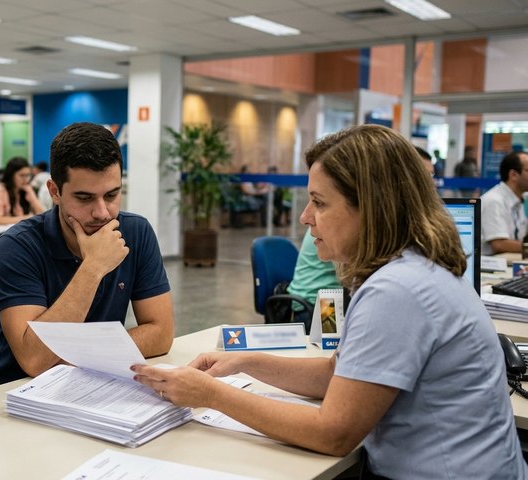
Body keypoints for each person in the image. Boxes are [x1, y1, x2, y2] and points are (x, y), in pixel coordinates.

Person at [132, 124, 526, 478]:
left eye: (319, 203)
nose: (305, 217)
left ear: (371, 209)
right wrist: (245, 362)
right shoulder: (411, 267)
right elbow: (338, 374)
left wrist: (211, 394)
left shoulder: (397, 290)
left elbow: (333, 433)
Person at [0, 122, 174, 386]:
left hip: (93, 383)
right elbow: (35, 360)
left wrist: (78, 355)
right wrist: (93, 268)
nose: (102, 213)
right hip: (16, 389)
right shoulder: (17, 245)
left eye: (112, 195)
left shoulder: (136, 232)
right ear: (54, 191)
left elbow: (161, 334)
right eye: (84, 198)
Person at [481, 150, 528, 255]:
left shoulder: (519, 199)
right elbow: (499, 244)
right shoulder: (494, 200)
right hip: (490, 263)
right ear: (513, 175)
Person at [0, 157, 45, 225]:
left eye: (28, 175)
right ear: (11, 175)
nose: (26, 179)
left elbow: (42, 216)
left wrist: (32, 195)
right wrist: (26, 218)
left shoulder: (25, 191)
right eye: (22, 175)